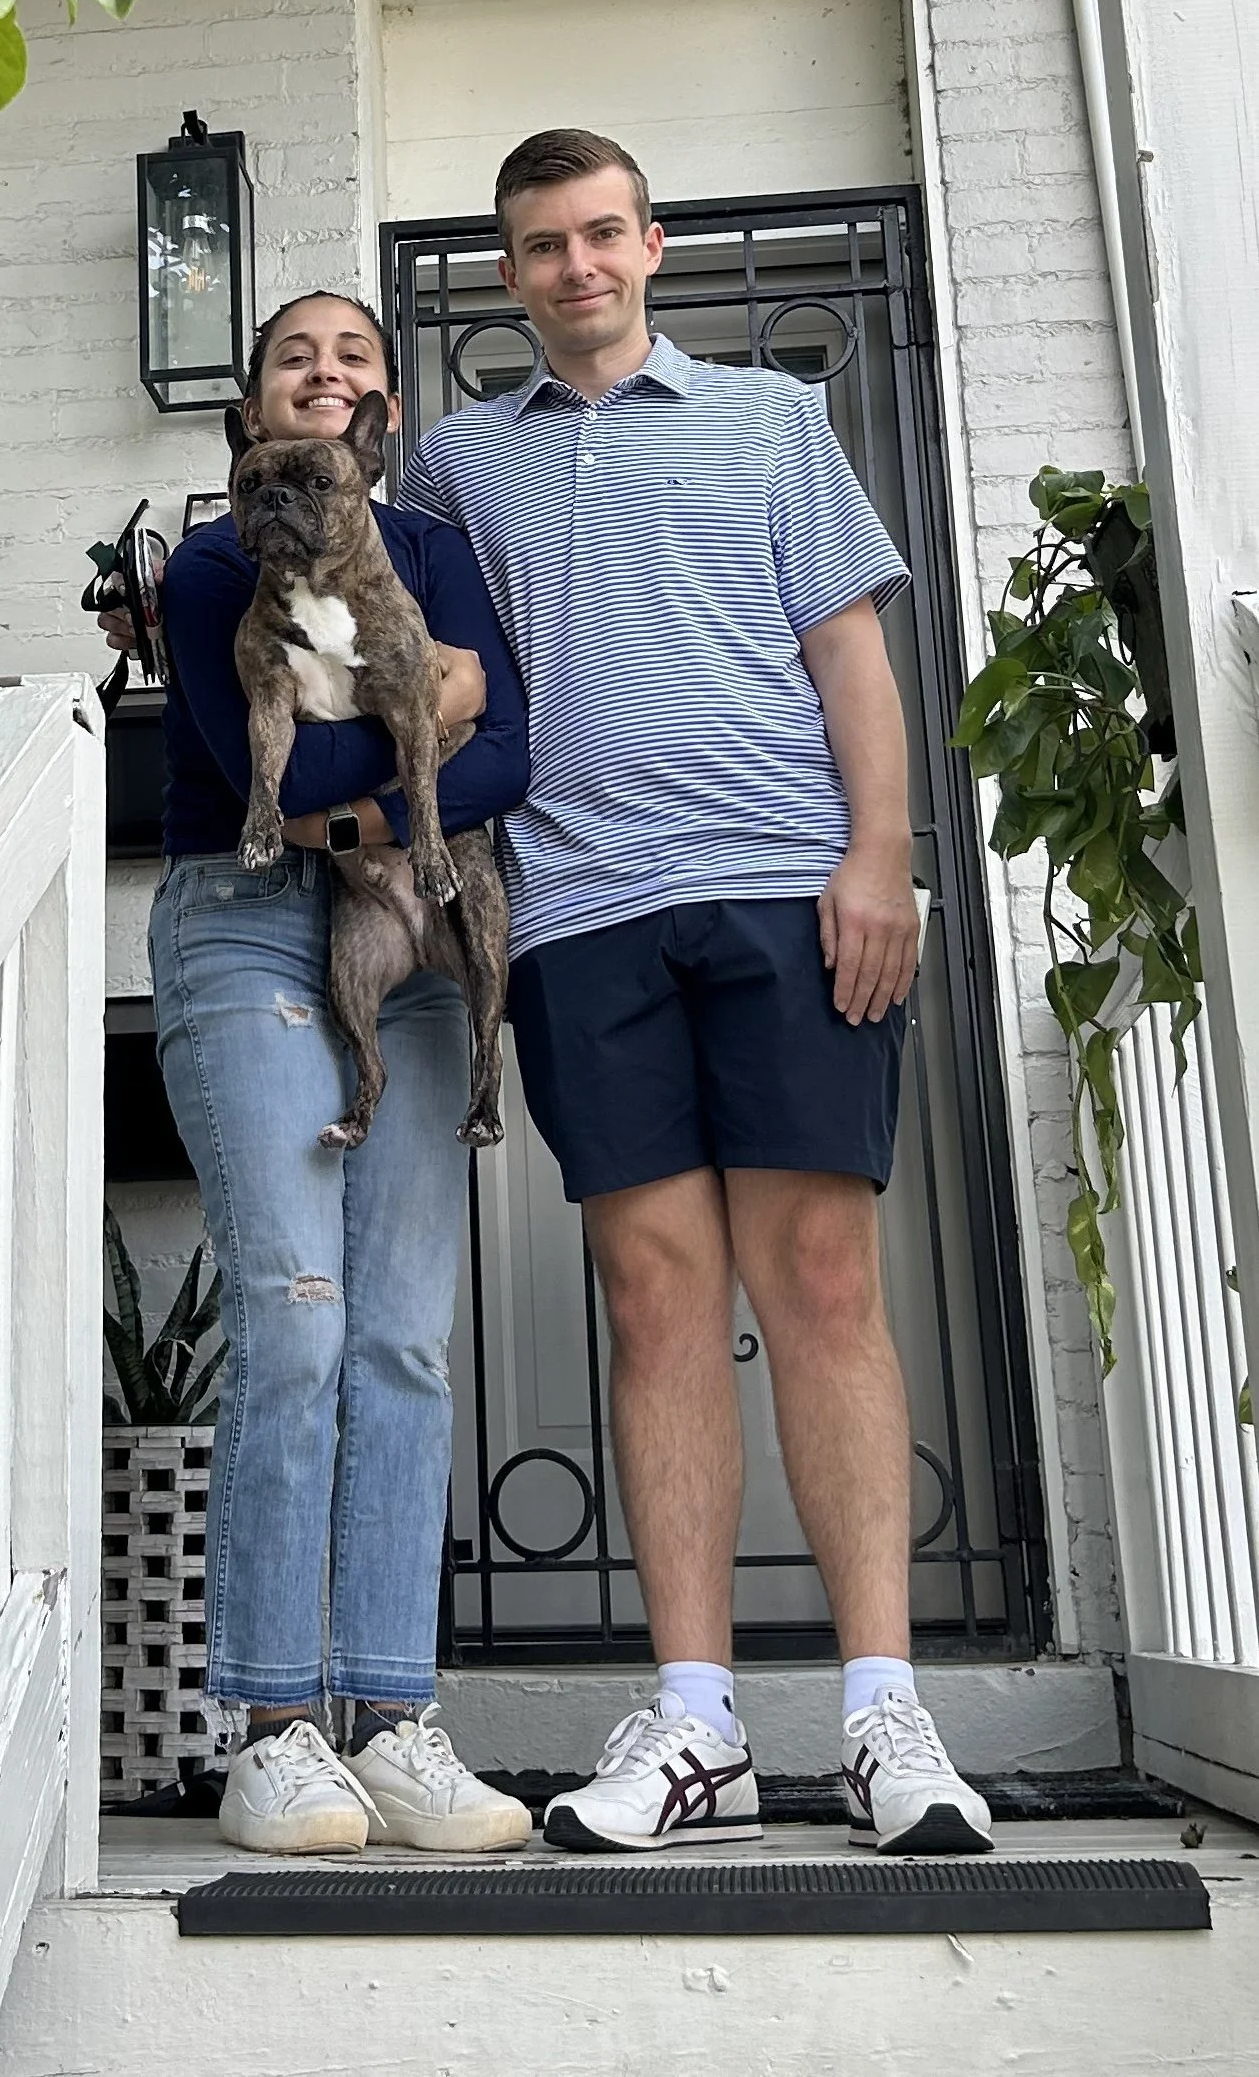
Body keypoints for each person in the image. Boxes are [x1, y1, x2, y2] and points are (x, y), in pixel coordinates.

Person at [399, 129, 995, 1858]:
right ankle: (701, 1721)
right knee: (654, 1299)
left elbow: (848, 654)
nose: (573, 267)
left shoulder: (768, 420)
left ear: (649, 246)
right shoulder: (457, 464)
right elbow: (419, 648)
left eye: (599, 235)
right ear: (507, 275)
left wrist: (878, 854)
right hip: (580, 913)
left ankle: (883, 1707)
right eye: (538, 246)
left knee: (817, 1274)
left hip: (786, 894)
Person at [126, 290, 532, 1856]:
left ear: (380, 415)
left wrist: (386, 772)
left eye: (352, 357)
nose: (325, 371)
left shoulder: (428, 551)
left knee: (404, 1338)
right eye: (295, 354)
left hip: (410, 926)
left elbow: (508, 752)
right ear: (253, 409)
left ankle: (393, 1715)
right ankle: (276, 1730)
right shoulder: (222, 555)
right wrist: (422, 712)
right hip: (242, 923)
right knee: (296, 1316)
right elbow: (249, 769)